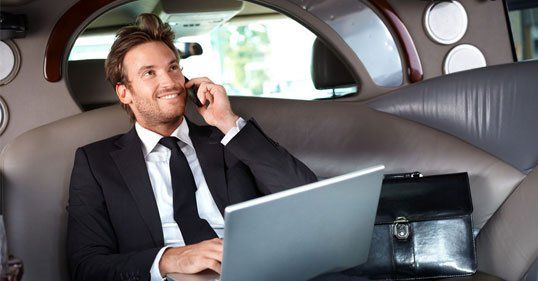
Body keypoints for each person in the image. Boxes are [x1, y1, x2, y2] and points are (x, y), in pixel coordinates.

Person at [66, 13, 317, 281]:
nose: (170, 82)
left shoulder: (228, 140)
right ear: (124, 93)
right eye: (149, 73)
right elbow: (87, 267)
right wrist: (170, 259)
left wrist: (227, 122)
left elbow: (307, 200)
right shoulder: (96, 162)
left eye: (173, 67)